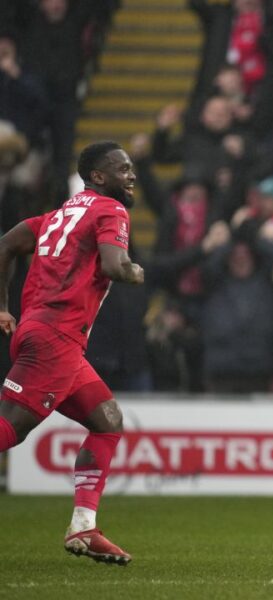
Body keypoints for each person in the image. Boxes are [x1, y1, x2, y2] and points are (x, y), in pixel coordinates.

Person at [0, 141, 144, 565]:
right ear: (98, 177)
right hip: (56, 338)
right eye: (123, 169)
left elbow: (5, 244)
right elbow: (117, 265)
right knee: (11, 429)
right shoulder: (110, 210)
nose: (131, 175)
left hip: (45, 333)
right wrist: (135, 272)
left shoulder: (58, 214)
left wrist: (3, 307)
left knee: (107, 420)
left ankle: (83, 527)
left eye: (132, 167)